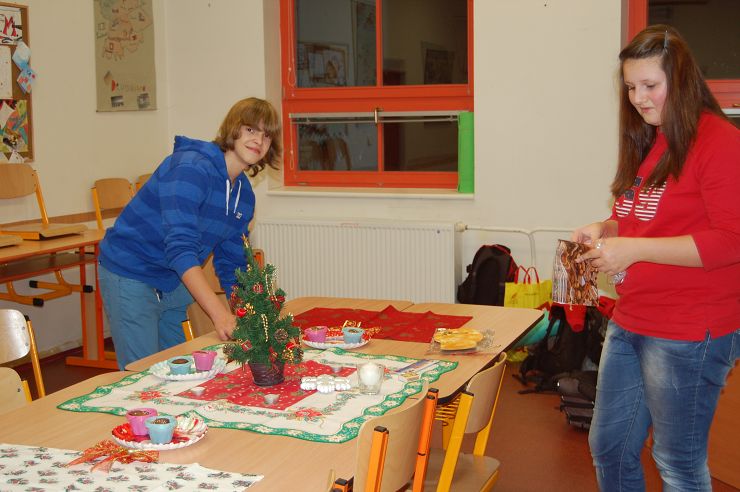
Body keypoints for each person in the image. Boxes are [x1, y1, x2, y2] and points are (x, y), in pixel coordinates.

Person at [572, 25, 740, 491]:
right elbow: (643, 218)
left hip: (689, 329)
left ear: (681, 81)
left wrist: (636, 249)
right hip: (633, 319)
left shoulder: (720, 142)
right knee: (609, 445)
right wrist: (606, 228)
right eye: (630, 87)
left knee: (676, 461)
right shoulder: (654, 139)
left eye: (650, 85)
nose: (639, 99)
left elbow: (731, 240)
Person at [98, 97, 281, 370]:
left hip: (173, 282)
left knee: (179, 372)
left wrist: (250, 318)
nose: (258, 140)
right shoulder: (191, 168)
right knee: (141, 376)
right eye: (251, 129)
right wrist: (219, 315)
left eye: (267, 135)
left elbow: (233, 265)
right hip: (131, 272)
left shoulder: (244, 196)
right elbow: (180, 249)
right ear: (233, 128)